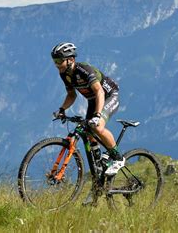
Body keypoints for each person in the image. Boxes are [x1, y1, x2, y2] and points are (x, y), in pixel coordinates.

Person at [51, 42, 125, 176]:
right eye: (55, 61)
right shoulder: (65, 74)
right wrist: (62, 109)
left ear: (71, 60)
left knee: (97, 126)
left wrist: (97, 115)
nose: (57, 64)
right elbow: (71, 95)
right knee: (88, 130)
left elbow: (99, 92)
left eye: (59, 60)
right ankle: (99, 165)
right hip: (93, 100)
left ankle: (119, 159)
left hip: (108, 96)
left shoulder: (84, 70)